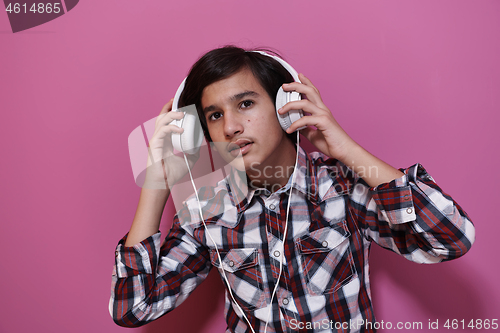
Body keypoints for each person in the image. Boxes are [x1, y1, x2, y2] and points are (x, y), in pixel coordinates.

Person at [109, 46, 475, 333]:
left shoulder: (342, 186)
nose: (231, 127)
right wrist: (156, 180)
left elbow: (450, 238)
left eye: (246, 103)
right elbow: (133, 308)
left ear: (287, 108)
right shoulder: (209, 208)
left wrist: (344, 148)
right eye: (215, 115)